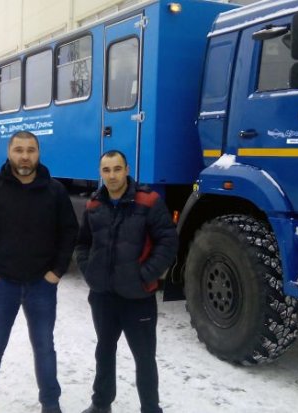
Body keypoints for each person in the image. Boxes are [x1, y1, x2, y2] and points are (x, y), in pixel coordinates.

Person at [0, 131, 78, 413]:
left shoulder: (55, 191)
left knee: (44, 347)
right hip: (1, 285)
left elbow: (69, 232)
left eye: (31, 150)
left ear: (38, 153)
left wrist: (57, 271)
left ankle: (51, 404)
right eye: (19, 150)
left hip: (41, 285)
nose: (25, 156)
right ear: (9, 153)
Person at [75, 150, 178, 413]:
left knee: (144, 358)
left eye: (117, 169)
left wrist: (145, 276)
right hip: (103, 297)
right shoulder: (94, 205)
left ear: (127, 170)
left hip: (138, 298)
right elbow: (83, 243)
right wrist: (90, 271)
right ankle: (101, 404)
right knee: (104, 351)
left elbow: (168, 242)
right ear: (101, 173)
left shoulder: (148, 201)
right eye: (106, 170)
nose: (112, 175)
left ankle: (150, 408)